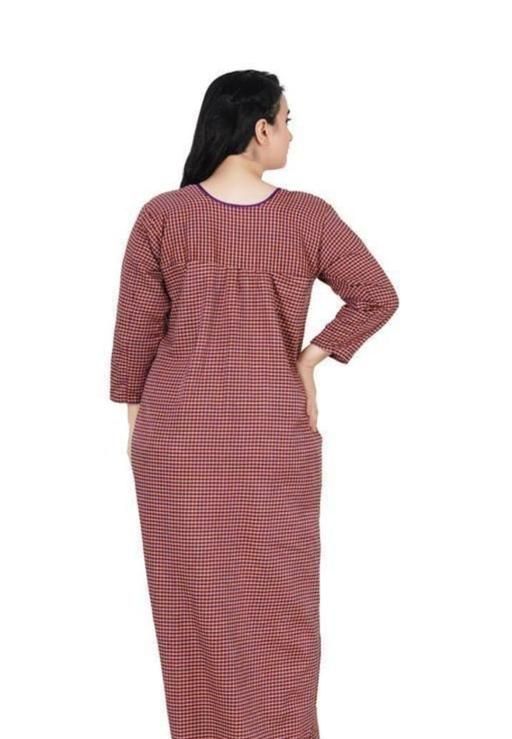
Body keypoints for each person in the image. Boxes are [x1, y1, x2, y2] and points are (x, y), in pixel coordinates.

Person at [110, 69, 399, 739]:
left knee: (192, 607)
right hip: (272, 429)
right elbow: (376, 295)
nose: (292, 134)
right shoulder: (307, 217)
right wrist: (308, 360)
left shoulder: (164, 215)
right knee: (281, 600)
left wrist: (140, 430)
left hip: (177, 437)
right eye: (288, 120)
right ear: (259, 128)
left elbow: (136, 336)